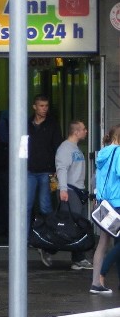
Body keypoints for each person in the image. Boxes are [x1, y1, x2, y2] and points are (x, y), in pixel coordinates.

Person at [27, 95, 63, 267]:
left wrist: (57, 168)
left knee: (45, 206)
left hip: (47, 171)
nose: (44, 108)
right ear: (34, 107)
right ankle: (26, 239)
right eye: (41, 105)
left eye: (46, 105)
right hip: (29, 170)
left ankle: (47, 241)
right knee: (25, 206)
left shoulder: (53, 125)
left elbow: (58, 147)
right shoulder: (26, 124)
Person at [55, 120, 92, 270]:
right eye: (84, 129)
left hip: (76, 190)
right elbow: (62, 169)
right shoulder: (65, 148)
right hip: (70, 190)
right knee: (73, 225)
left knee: (76, 224)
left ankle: (78, 257)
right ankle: (77, 258)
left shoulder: (74, 148)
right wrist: (63, 189)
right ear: (76, 132)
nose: (86, 131)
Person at [90, 124, 120, 294]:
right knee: (115, 243)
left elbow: (96, 179)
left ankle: (96, 283)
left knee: (103, 242)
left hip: (103, 204)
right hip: (117, 203)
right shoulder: (119, 152)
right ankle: (102, 274)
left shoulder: (103, 153)